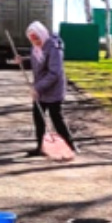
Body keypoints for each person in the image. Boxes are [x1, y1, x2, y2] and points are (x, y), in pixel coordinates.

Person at [25, 21, 75, 157]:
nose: (35, 42)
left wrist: (38, 88)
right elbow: (37, 61)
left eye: (37, 38)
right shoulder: (36, 47)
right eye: (32, 39)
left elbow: (54, 73)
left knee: (56, 118)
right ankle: (40, 147)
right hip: (41, 90)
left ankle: (70, 146)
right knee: (38, 118)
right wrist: (22, 60)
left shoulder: (54, 48)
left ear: (42, 34)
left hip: (53, 89)